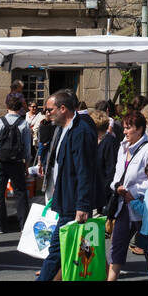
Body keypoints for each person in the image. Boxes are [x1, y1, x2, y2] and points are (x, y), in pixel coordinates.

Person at [36, 89, 98, 281]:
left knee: (58, 250)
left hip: (73, 203)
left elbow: (84, 171)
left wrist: (82, 205)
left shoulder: (81, 131)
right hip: (65, 199)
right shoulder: (63, 129)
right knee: (75, 249)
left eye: (50, 109)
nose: (47, 113)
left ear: (63, 108)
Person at [107, 111, 148, 281]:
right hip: (123, 205)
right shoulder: (122, 147)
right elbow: (117, 175)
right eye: (124, 128)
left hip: (143, 206)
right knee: (117, 244)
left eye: (129, 128)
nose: (125, 131)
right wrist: (116, 187)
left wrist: (133, 192)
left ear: (140, 129)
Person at [0, 92, 33, 234]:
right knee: (20, 192)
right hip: (17, 162)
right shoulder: (24, 123)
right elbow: (27, 148)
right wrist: (26, 165)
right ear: (20, 108)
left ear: (7, 106)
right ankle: (23, 224)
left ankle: (1, 226)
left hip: (1, 162)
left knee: (0, 193)